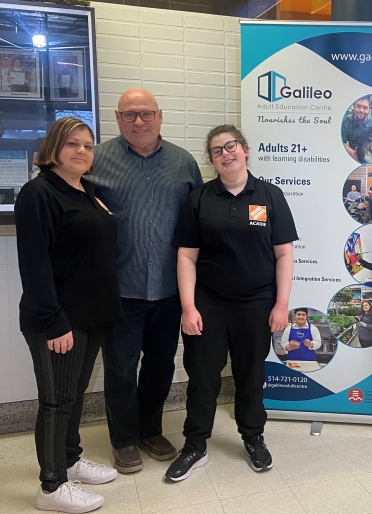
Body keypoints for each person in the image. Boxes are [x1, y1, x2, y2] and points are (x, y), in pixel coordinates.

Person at [166, 124, 297, 481]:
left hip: (256, 303)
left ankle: (253, 438)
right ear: (211, 160)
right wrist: (189, 308)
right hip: (208, 302)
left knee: (251, 375)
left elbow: (284, 255)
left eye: (231, 146)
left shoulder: (270, 196)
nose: (226, 154)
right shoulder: (199, 199)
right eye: (217, 151)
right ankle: (195, 445)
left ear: (245, 149)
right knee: (203, 377)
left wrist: (281, 304)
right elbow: (186, 258)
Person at [88, 88, 203, 473]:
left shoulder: (183, 162)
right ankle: (123, 440)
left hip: (170, 291)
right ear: (118, 118)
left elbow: (197, 224)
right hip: (119, 288)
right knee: (120, 368)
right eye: (130, 115)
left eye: (146, 114)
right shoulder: (95, 160)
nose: (139, 122)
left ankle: (150, 430)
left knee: (161, 365)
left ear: (160, 116)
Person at [14, 117, 121, 513]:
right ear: (54, 148)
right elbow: (35, 263)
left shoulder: (87, 191)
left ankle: (70, 459)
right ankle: (51, 485)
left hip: (91, 314)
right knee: (56, 400)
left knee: (75, 395)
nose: (81, 151)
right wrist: (54, 321)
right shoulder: (38, 193)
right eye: (72, 143)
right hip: (58, 319)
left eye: (88, 145)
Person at [342, 96, 372, 160]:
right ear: (353, 106)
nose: (361, 110)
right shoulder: (345, 121)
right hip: (352, 157)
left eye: (365, 108)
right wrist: (353, 153)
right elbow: (343, 143)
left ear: (369, 109)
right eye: (358, 106)